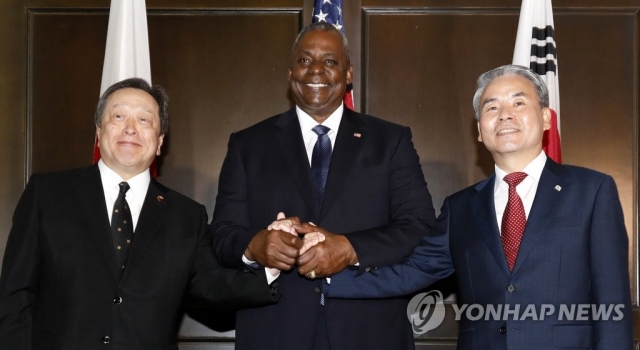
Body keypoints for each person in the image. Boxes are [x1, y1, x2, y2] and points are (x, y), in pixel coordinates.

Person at [323, 65, 633, 349]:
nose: (505, 115)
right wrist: (320, 278)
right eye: (492, 107)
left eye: (519, 103)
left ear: (546, 118)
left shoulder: (592, 191)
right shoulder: (460, 208)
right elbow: (409, 273)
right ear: (480, 131)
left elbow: (612, 301)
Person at [0, 78, 280, 349]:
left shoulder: (186, 216)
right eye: (118, 116)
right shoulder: (47, 195)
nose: (131, 128)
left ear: (159, 141)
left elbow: (210, 285)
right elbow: (15, 296)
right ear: (98, 132)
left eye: (144, 119)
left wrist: (270, 266)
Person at [210, 22, 435, 350]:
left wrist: (349, 248)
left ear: (348, 75)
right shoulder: (248, 145)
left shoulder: (390, 141)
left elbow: (419, 227)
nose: (315, 69)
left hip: (370, 333)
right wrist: (254, 247)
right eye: (304, 61)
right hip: (274, 332)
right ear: (290, 74)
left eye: (330, 61)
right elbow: (221, 234)